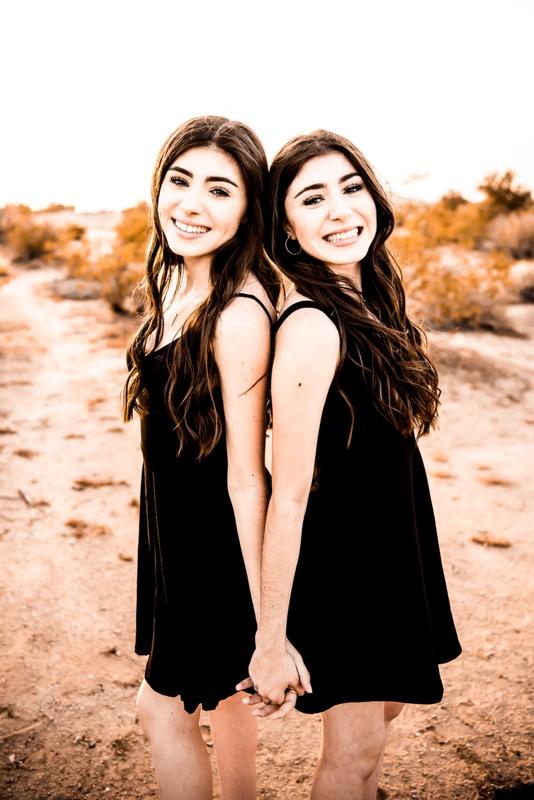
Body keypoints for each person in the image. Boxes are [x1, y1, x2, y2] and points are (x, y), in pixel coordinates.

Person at [238, 130, 462, 800]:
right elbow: (291, 493)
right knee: (356, 756)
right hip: (349, 572)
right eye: (312, 198)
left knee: (385, 716)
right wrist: (270, 639)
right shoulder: (312, 327)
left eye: (351, 186)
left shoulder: (369, 300)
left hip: (394, 555)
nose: (339, 210)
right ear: (286, 227)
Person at [123, 116, 282, 800]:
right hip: (174, 528)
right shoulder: (180, 283)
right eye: (180, 180)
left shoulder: (238, 310)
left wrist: (264, 614)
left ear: (249, 209)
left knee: (159, 708)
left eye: (221, 190)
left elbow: (247, 476)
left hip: (213, 546)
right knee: (225, 699)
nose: (190, 203)